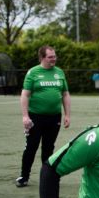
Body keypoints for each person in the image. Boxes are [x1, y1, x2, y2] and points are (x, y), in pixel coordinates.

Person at [16, 45, 71, 187]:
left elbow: (65, 94)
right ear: (42, 58)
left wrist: (67, 115)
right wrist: (25, 116)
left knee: (49, 148)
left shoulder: (59, 72)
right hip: (35, 117)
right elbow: (25, 94)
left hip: (54, 118)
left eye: (55, 56)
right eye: (50, 57)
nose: (54, 59)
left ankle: (46, 177)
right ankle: (24, 176)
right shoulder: (33, 73)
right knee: (31, 147)